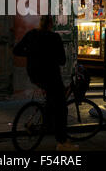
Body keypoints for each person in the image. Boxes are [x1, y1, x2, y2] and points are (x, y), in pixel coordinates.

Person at [13, 15, 78, 151]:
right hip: (51, 76)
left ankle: (46, 123)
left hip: (35, 75)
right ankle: (62, 142)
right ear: (51, 24)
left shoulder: (31, 34)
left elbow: (17, 50)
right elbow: (62, 61)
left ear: (40, 23)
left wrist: (31, 53)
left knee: (50, 101)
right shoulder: (54, 38)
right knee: (61, 109)